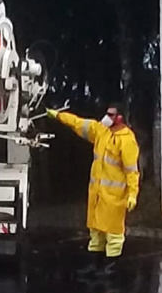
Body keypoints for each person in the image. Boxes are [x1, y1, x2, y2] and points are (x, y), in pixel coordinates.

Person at [47, 104, 140, 275]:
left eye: (111, 115)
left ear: (119, 118)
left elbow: (132, 171)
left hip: (114, 197)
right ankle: (95, 264)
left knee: (113, 235)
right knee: (96, 231)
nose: (106, 117)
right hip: (97, 194)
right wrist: (59, 116)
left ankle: (111, 267)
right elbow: (78, 123)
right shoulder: (101, 131)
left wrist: (132, 194)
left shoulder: (127, 140)